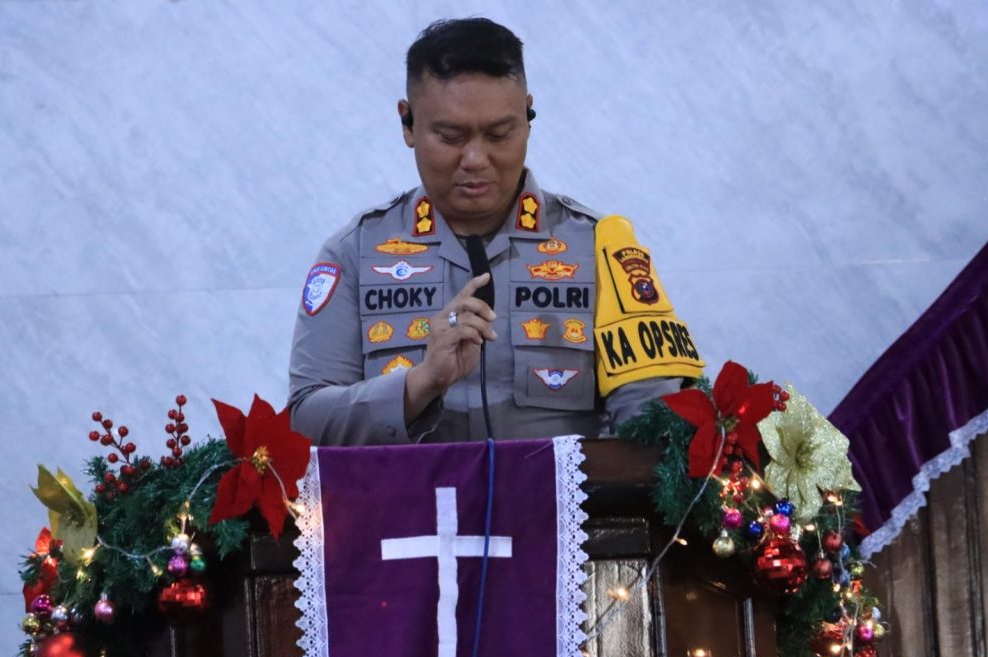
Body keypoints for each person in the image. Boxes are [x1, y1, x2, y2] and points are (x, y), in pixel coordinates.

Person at [289, 18, 704, 445]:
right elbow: (305, 420)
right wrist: (421, 384)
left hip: (567, 492)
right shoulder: (356, 253)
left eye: (499, 134)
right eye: (450, 136)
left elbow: (656, 426)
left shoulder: (598, 246)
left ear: (528, 116)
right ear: (407, 123)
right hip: (412, 491)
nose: (475, 158)